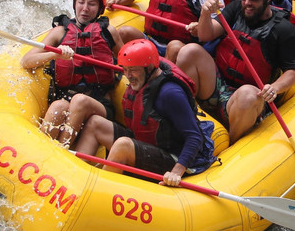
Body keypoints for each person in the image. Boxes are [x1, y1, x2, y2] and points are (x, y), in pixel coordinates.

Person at [176, 0, 295, 143]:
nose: (247, 3)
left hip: (247, 98)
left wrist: (274, 88)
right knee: (189, 51)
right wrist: (205, 14)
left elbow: (292, 71)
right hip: (217, 85)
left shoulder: (284, 30)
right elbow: (206, 35)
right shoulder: (236, 8)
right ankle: (188, 119)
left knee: (248, 95)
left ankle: (230, 144)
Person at [74, 39, 216, 186]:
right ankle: (74, 177)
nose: (128, 76)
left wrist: (176, 172)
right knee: (94, 123)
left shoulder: (171, 93)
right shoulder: (143, 81)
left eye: (133, 70)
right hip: (149, 143)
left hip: (173, 155)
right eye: (125, 70)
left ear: (149, 68)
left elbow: (194, 137)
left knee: (122, 145)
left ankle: (95, 192)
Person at [20, 0, 120, 147]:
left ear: (100, 9)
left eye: (92, 4)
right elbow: (26, 61)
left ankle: (61, 151)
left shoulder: (109, 32)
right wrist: (55, 54)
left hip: (99, 102)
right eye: (81, 2)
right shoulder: (60, 32)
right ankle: (42, 152)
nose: (85, 8)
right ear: (75, 4)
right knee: (57, 107)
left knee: (80, 101)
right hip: (66, 97)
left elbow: (129, 61)